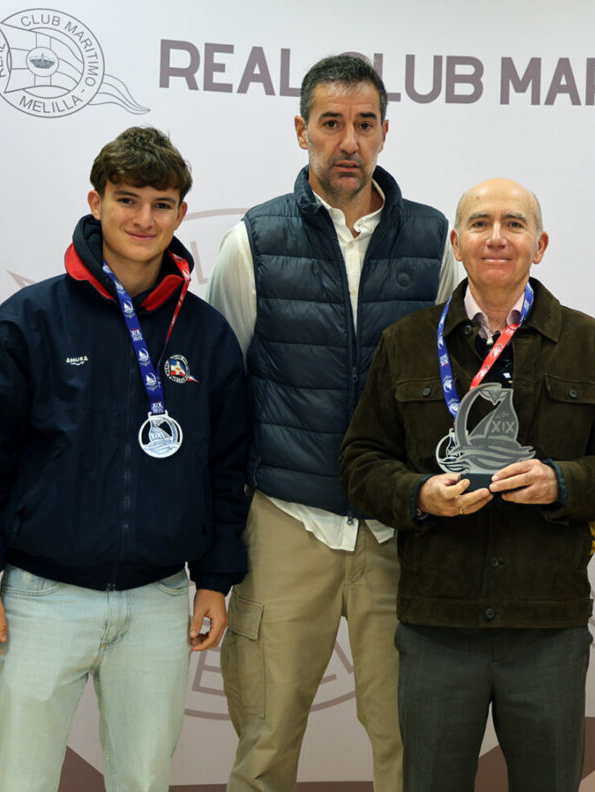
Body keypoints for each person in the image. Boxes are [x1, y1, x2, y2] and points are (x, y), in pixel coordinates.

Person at [0, 126, 250, 791]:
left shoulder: (205, 334)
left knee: (143, 781)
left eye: (161, 204)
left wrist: (215, 580)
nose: (143, 218)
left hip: (159, 598)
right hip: (41, 596)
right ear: (96, 202)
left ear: (181, 214)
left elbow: (226, 468)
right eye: (127, 199)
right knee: (20, 779)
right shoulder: (31, 320)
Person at [339, 177, 595, 791]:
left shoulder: (590, 344)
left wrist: (562, 482)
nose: (496, 237)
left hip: (547, 624)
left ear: (540, 245)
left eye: (514, 224)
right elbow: (360, 460)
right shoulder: (406, 343)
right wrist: (419, 495)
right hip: (438, 623)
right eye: (480, 223)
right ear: (456, 244)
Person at [207, 54, 457, 792]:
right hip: (287, 521)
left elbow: (453, 385)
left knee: (409, 748)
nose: (349, 141)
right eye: (331, 123)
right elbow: (222, 396)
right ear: (301, 130)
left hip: (396, 527)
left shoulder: (434, 240)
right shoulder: (253, 241)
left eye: (365, 124)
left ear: (384, 133)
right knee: (265, 744)